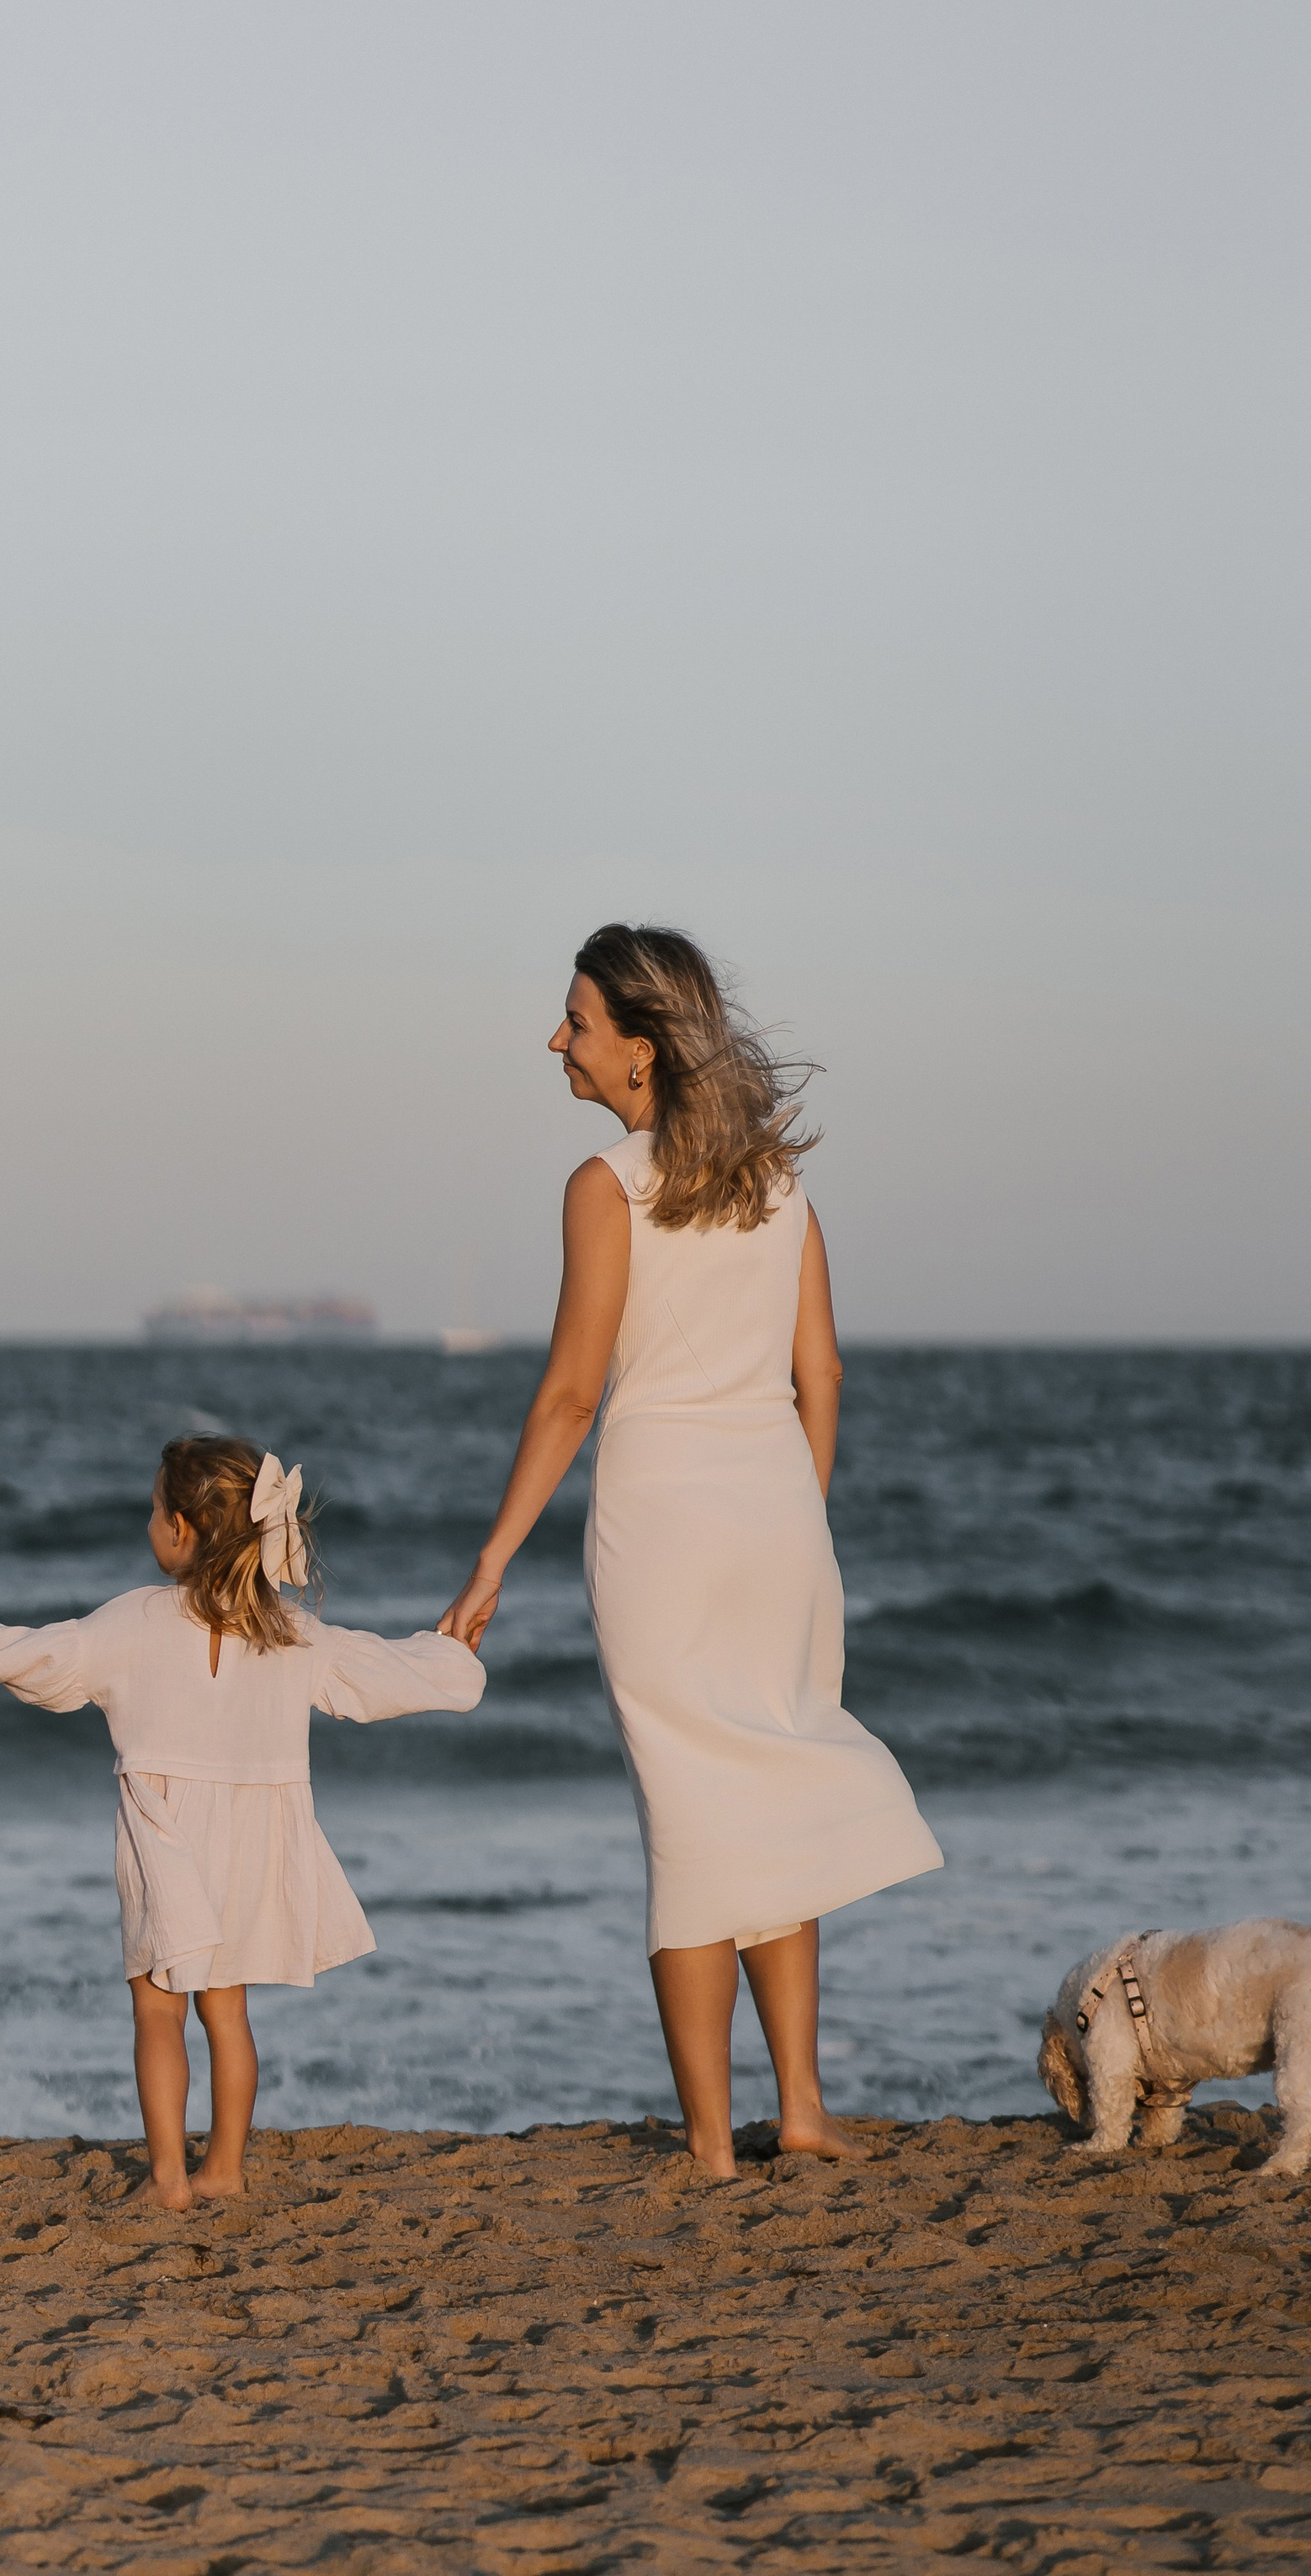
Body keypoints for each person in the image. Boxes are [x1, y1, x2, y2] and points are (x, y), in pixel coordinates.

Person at [439, 923, 942, 2179]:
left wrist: (495, 1556)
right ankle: (808, 2109)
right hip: (780, 1523)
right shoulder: (782, 1183)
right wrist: (798, 1516)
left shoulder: (606, 1187)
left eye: (576, 1021)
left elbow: (568, 1396)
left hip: (661, 1523)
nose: (556, 1039)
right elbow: (817, 1371)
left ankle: (716, 2145)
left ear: (641, 1050)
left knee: (689, 1816)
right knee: (765, 1794)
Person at [0, 1436, 486, 2207]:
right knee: (229, 2012)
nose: (149, 1522)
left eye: (154, 1510)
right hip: (255, 1840)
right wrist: (450, 1657)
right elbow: (378, 1673)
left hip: (165, 1837)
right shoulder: (291, 1631)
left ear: (181, 1529)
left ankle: (168, 2178)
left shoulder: (129, 1623)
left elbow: (31, 1658)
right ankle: (226, 2171)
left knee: (156, 2011)